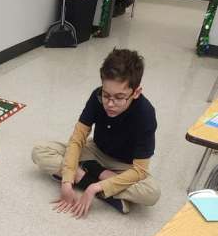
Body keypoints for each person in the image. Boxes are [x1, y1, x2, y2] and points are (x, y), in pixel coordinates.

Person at [31, 47, 160, 216]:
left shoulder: (146, 113)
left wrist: (94, 187)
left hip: (123, 166)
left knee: (151, 193)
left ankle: (86, 175)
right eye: (106, 95)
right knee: (40, 151)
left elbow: (140, 170)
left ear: (136, 92)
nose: (110, 104)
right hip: (94, 151)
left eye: (119, 97)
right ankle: (98, 183)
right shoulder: (96, 96)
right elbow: (77, 140)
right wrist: (67, 181)